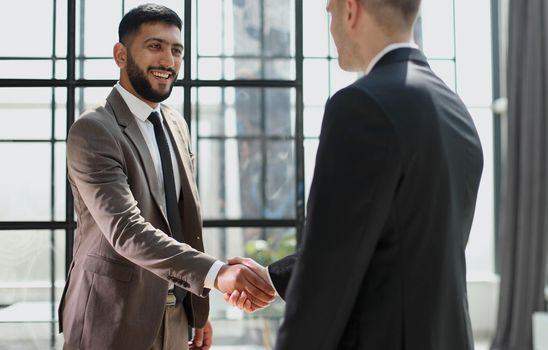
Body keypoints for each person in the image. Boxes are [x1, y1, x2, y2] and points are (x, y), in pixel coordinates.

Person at [226, 0, 484, 348]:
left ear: (350, 10)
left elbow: (329, 268)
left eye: (329, 12)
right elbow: (390, 244)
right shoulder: (455, 109)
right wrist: (273, 278)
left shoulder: (360, 106)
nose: (330, 27)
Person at [58, 4, 274, 350]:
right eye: (155, 46)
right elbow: (126, 230)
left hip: (175, 317)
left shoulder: (175, 124)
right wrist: (218, 274)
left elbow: (182, 222)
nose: (168, 61)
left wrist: (198, 310)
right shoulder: (94, 130)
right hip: (111, 317)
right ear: (121, 54)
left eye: (177, 50)